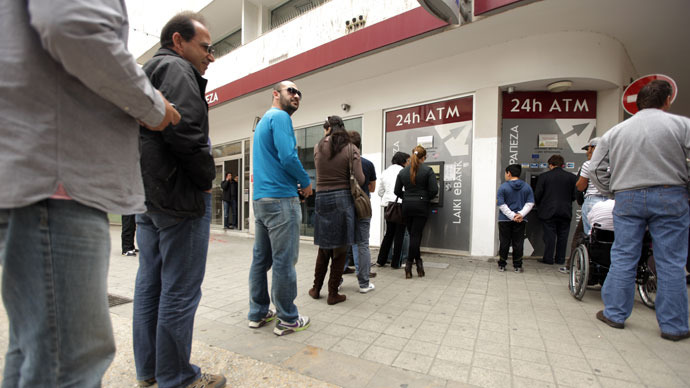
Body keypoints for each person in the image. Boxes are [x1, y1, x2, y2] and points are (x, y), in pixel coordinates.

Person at [0, 1, 180, 385]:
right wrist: (152, 104)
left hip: (39, 174)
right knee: (70, 360)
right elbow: (70, 24)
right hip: (61, 179)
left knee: (35, 349)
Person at [133, 12, 226, 388]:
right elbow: (186, 129)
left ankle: (151, 372)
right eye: (205, 47)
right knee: (179, 289)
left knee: (149, 284)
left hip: (148, 196)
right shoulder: (177, 70)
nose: (211, 56)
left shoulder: (147, 73)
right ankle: (177, 378)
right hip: (179, 197)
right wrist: (206, 179)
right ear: (178, 41)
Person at [589, 80, 690, 341]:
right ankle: (674, 326)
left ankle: (614, 313)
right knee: (671, 262)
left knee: (623, 255)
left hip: (627, 197)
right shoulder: (682, 125)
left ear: (636, 104)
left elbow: (596, 169)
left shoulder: (615, 132)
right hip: (671, 194)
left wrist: (613, 190)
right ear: (668, 100)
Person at [249, 80, 313, 335]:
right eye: (291, 91)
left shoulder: (264, 121)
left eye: (299, 92)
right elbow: (288, 156)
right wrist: (306, 181)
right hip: (281, 200)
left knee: (260, 260)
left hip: (261, 200)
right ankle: (287, 318)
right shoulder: (281, 117)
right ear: (275, 94)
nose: (296, 95)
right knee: (284, 261)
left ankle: (258, 312)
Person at [308, 116, 365, 304]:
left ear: (328, 129)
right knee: (341, 247)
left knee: (324, 247)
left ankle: (316, 289)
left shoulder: (318, 147)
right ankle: (333, 293)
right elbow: (360, 179)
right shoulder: (351, 148)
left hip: (321, 198)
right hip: (342, 198)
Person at [394, 145, 438, 279]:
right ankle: (409, 264)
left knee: (413, 234)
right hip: (421, 206)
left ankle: (418, 263)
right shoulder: (428, 170)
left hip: (407, 206)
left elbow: (396, 191)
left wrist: (407, 197)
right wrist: (425, 198)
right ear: (424, 157)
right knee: (416, 235)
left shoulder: (402, 172)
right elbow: (434, 190)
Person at [345, 130, 376, 293]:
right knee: (362, 243)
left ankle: (337, 280)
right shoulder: (368, 163)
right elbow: (372, 187)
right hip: (362, 206)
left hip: (344, 205)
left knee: (341, 242)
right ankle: (364, 283)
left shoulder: (339, 162)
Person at [534, 154, 577, 265]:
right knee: (563, 236)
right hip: (565, 211)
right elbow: (574, 195)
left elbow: (538, 194)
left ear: (551, 164)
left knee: (550, 236)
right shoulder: (572, 177)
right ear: (562, 164)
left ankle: (548, 259)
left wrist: (539, 205)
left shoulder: (544, 176)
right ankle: (560, 259)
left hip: (548, 211)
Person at [496, 164, 535, 273]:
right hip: (521, 220)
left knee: (504, 242)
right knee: (518, 243)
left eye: (505, 173)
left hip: (504, 219)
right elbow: (530, 203)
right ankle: (517, 266)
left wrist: (511, 215)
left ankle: (502, 265)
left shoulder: (503, 187)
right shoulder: (527, 187)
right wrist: (520, 215)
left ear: (509, 173)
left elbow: (501, 204)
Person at [376, 152, 410, 268]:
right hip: (400, 205)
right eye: (408, 161)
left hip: (388, 206)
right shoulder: (405, 172)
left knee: (389, 233)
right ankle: (396, 263)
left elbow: (380, 192)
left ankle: (381, 260)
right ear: (403, 161)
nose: (409, 163)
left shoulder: (385, 172)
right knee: (400, 234)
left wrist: (388, 196)